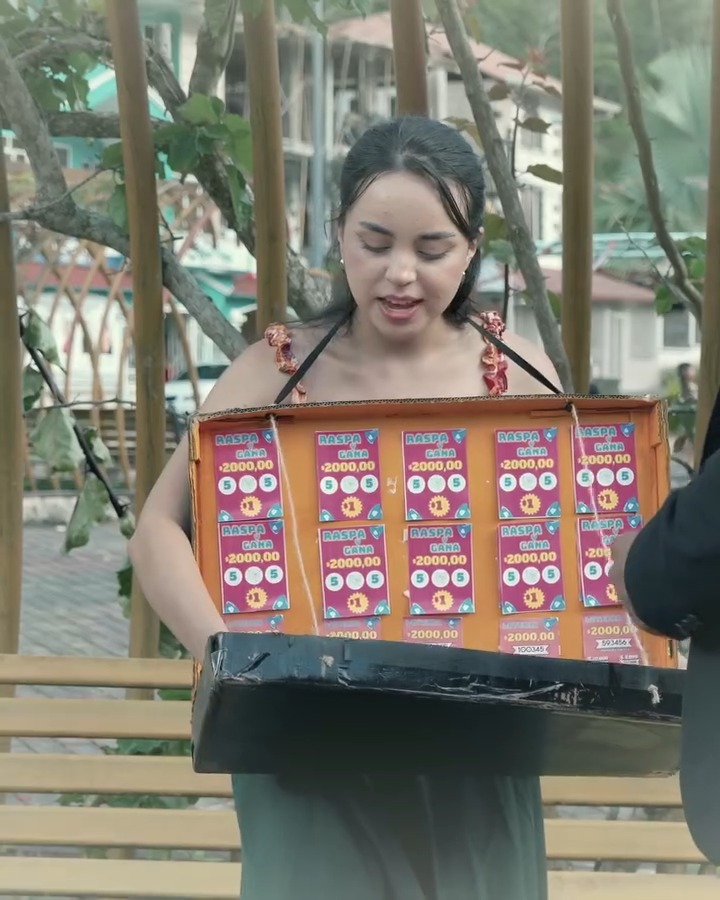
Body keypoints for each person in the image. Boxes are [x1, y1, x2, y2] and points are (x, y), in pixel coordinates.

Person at [129, 115, 561, 900]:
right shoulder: (274, 370)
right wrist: (233, 661)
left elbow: (575, 542)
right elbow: (160, 528)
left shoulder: (517, 375)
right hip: (305, 747)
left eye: (432, 249)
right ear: (337, 236)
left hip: (475, 746)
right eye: (375, 243)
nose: (401, 274)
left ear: (472, 248)